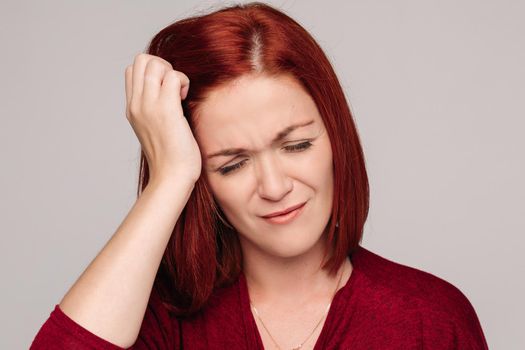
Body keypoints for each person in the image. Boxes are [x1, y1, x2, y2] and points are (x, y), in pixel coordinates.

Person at [31, 2, 489, 349]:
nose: (274, 187)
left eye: (296, 145)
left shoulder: (430, 319)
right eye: (231, 164)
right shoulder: (160, 321)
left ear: (336, 136)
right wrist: (169, 178)